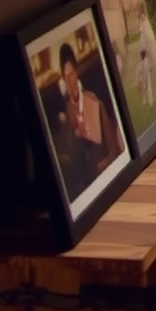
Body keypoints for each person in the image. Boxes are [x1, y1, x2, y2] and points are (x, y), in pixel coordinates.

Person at [55, 42, 123, 200]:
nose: (70, 81)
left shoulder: (93, 101)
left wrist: (108, 160)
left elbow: (114, 148)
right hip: (85, 180)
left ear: (76, 72)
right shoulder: (68, 108)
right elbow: (67, 153)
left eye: (72, 74)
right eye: (66, 77)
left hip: (104, 175)